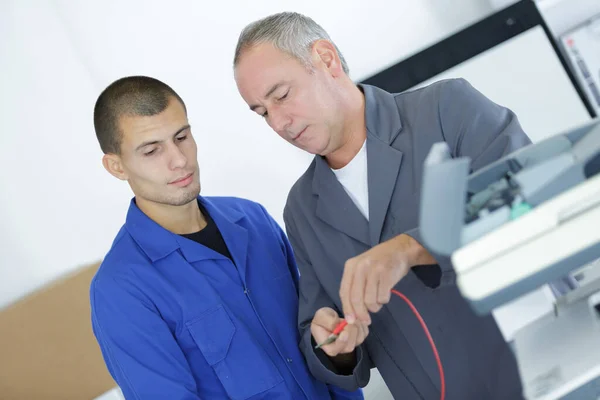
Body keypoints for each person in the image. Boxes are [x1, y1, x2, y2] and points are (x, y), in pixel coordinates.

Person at [233, 12, 531, 400]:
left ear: (326, 58)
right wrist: (333, 344)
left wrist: (410, 248)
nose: (278, 124)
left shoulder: (446, 109)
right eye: (262, 113)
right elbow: (319, 329)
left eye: (282, 96)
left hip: (542, 366)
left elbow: (526, 196)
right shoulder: (302, 208)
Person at [89, 75, 364, 400]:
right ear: (117, 167)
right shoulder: (121, 290)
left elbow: (317, 335)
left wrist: (338, 347)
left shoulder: (254, 220)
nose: (179, 160)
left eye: (181, 137)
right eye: (151, 151)